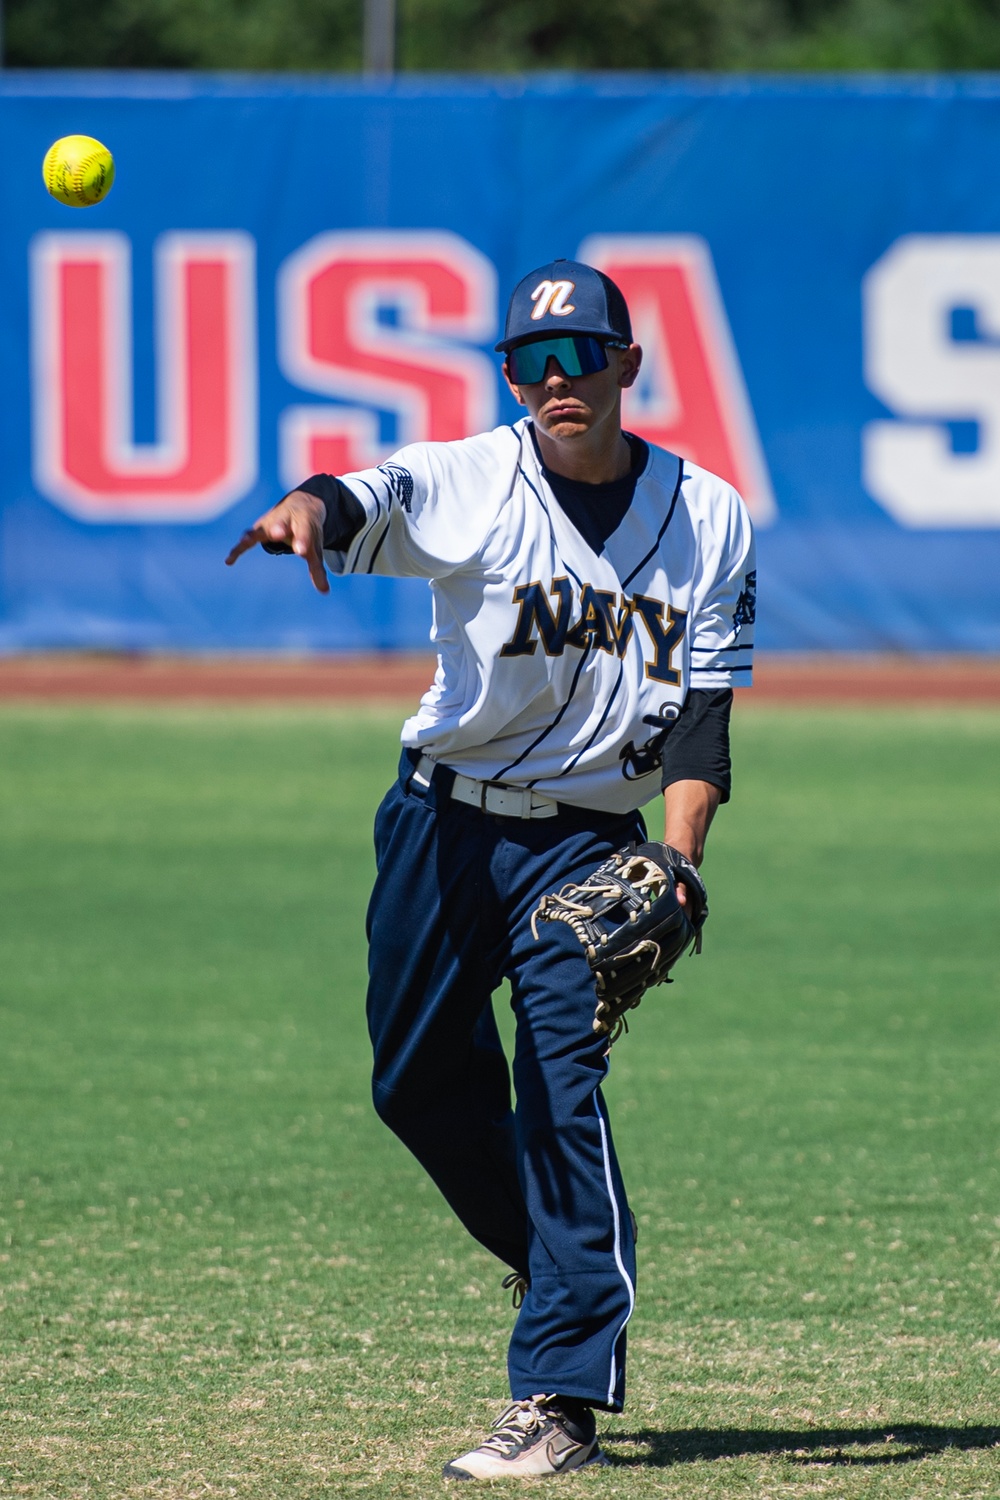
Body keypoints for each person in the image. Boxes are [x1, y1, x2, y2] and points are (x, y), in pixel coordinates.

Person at [226, 258, 755, 1480]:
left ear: (628, 363)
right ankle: (550, 1254)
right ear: (510, 377)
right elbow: (362, 493)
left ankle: (560, 1388)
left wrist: (674, 866)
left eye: (580, 358)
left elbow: (702, 718)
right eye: (529, 362)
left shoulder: (710, 514)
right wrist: (308, 509)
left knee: (559, 1077)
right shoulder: (476, 477)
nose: (556, 381)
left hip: (586, 843)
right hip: (441, 826)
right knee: (413, 1085)